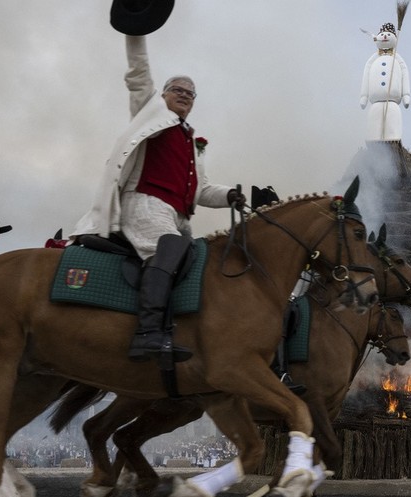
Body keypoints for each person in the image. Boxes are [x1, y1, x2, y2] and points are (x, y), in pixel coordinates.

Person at [70, 6, 243, 363]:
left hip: (178, 214)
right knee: (167, 247)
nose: (184, 95)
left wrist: (231, 196)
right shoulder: (150, 111)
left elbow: (200, 191)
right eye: (177, 89)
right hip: (144, 202)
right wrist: (136, 27)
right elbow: (138, 71)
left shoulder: (193, 142)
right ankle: (148, 334)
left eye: (191, 93)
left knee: (197, 257)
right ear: (163, 94)